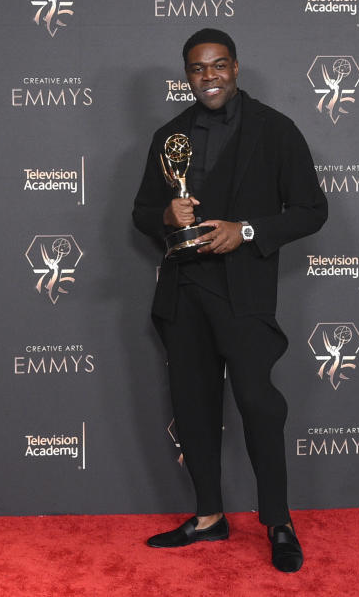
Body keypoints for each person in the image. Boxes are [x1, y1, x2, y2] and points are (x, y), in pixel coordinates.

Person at [132, 28, 327, 573]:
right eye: (198, 68)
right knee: (193, 408)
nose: (209, 76)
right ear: (187, 74)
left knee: (260, 407)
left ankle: (279, 521)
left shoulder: (276, 130)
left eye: (219, 65)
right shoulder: (169, 136)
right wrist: (166, 217)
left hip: (243, 292)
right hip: (185, 291)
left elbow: (312, 210)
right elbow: (142, 212)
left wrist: (245, 231)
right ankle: (209, 516)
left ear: (236, 68)